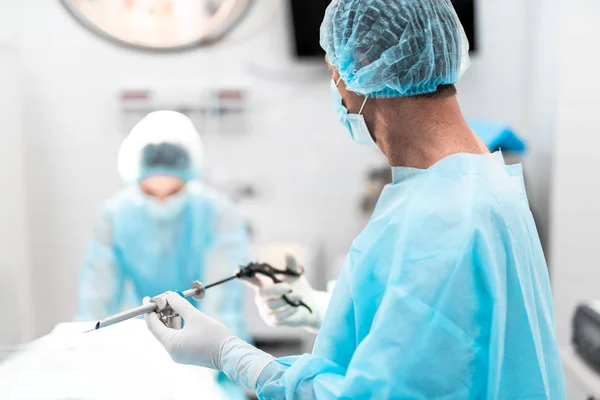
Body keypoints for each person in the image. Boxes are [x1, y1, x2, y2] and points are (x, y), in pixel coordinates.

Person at [144, 1, 567, 398]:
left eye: (335, 73)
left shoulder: (440, 221)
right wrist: (323, 309)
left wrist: (230, 355)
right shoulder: (482, 180)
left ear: (361, 74)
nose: (337, 91)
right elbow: (447, 333)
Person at [75, 110, 251, 398]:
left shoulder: (216, 213)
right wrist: (85, 351)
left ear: (187, 178)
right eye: (151, 191)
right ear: (136, 180)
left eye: (172, 191)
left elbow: (223, 301)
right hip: (142, 348)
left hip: (208, 339)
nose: (162, 201)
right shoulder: (115, 216)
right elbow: (97, 299)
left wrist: (220, 361)